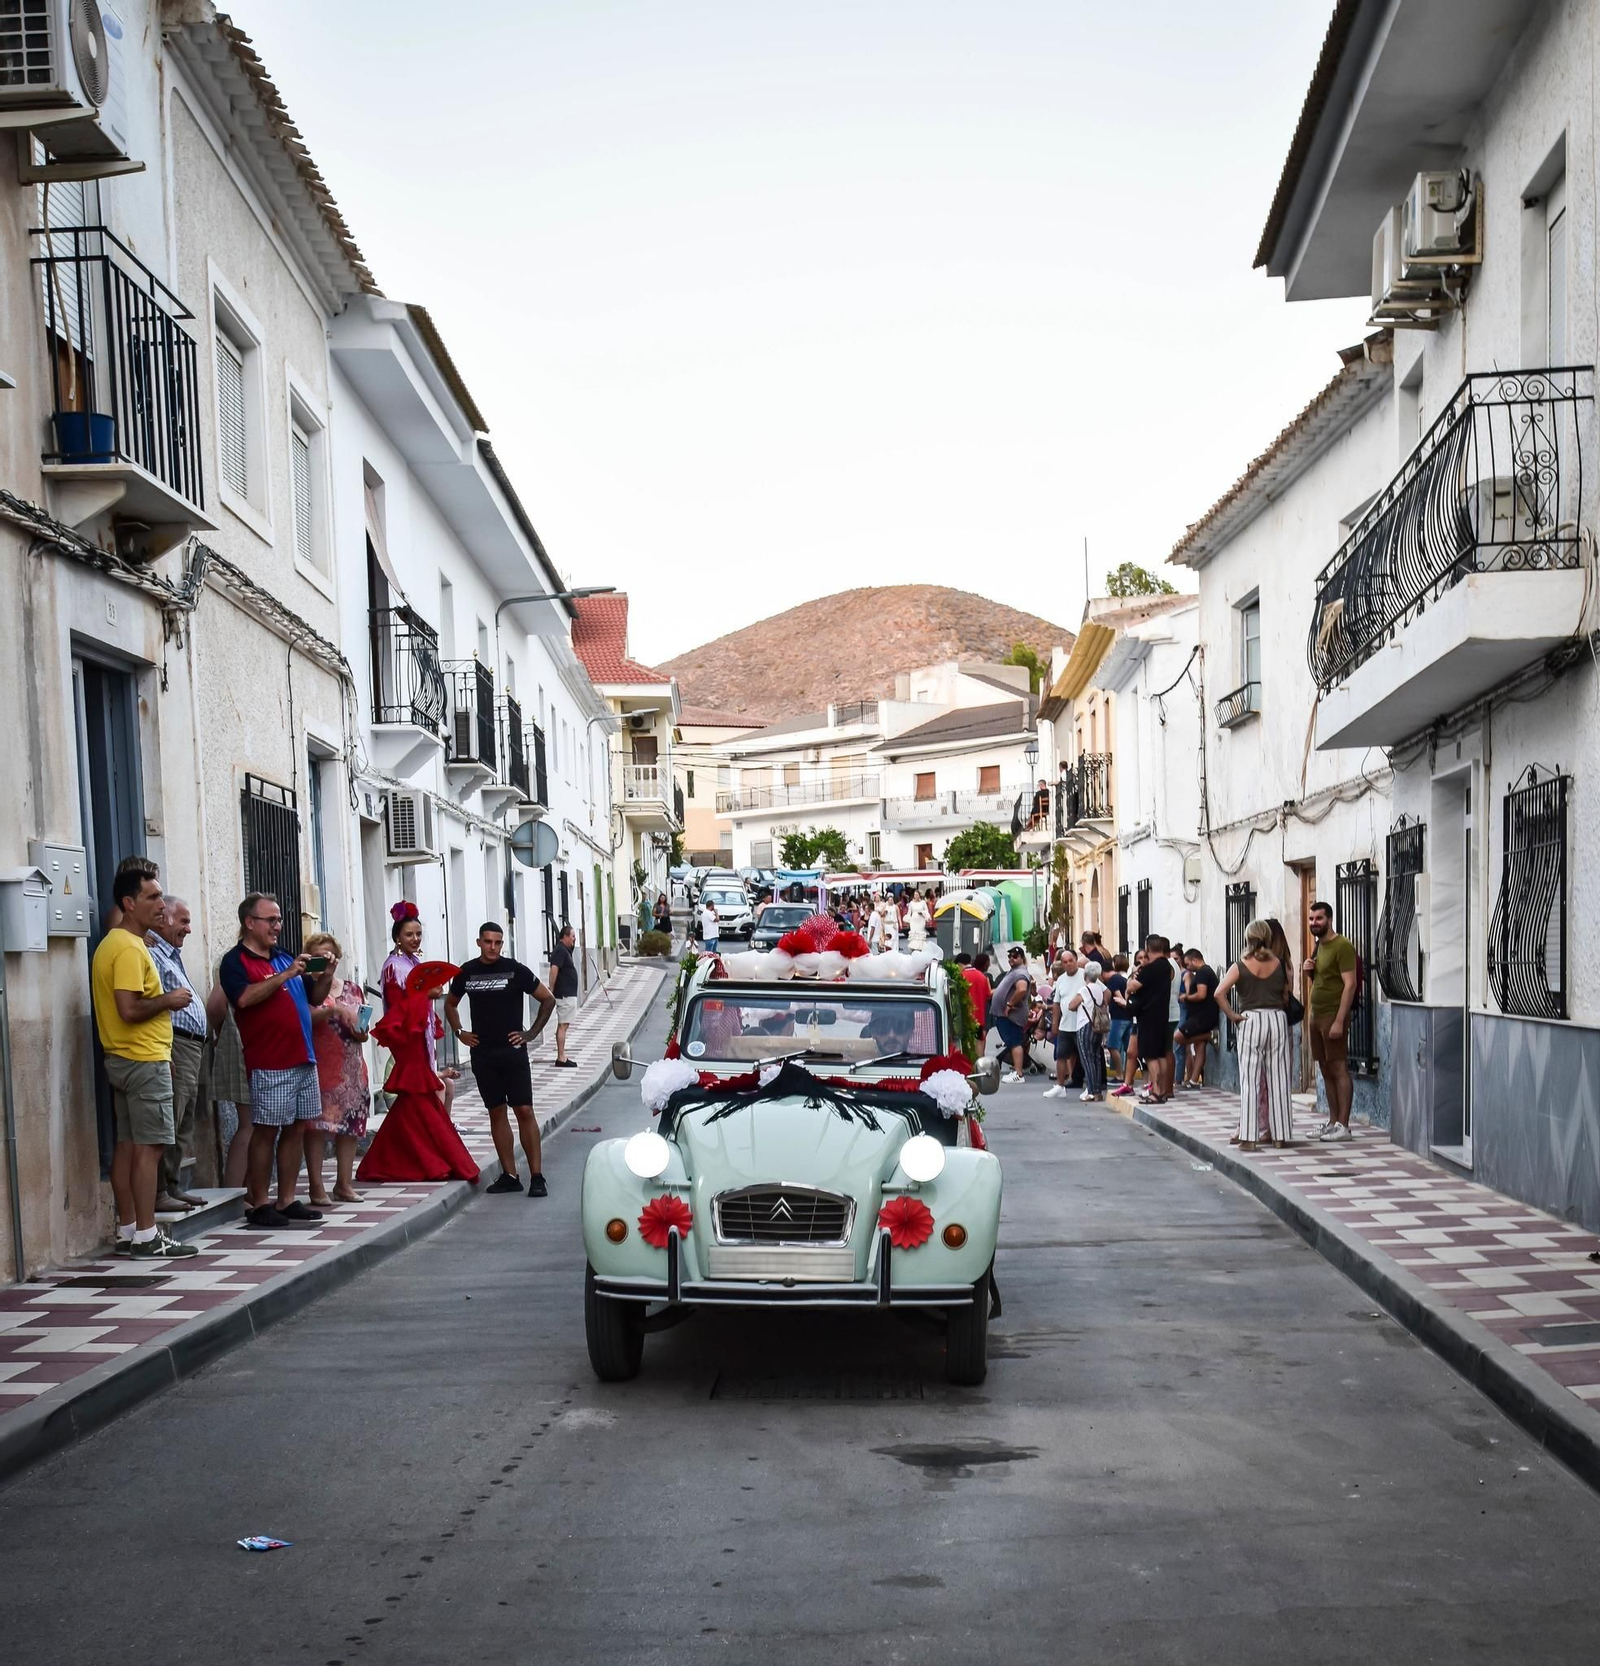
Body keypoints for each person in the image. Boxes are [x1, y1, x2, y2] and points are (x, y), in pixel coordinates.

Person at [91, 864, 199, 1260]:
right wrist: (170, 1001)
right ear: (129, 903)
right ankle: (147, 1235)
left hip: (129, 1059)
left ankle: (128, 1229)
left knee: (128, 1145)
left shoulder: (116, 944)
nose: (160, 905)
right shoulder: (128, 948)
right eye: (152, 897)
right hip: (140, 1060)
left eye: (159, 896)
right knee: (149, 1149)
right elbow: (128, 1009)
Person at [220, 893, 333, 1230]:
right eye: (270, 920)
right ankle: (260, 1202)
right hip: (269, 1061)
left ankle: (285, 1198)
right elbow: (243, 998)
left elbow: (313, 998)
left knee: (297, 1127)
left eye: (279, 920)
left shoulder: (284, 956)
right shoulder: (235, 961)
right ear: (249, 922)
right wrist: (283, 976)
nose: (277, 926)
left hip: (303, 1056)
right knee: (266, 1131)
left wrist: (325, 974)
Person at [446, 922, 556, 1196]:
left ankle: (537, 1177)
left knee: (524, 1111)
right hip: (483, 1054)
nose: (492, 947)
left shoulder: (515, 970)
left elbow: (548, 999)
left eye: (497, 942)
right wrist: (460, 1032)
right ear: (479, 942)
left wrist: (530, 1033)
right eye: (487, 942)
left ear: (502, 943)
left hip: (513, 1053)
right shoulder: (466, 972)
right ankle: (509, 1175)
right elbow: (450, 1003)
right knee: (496, 1111)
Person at [358, 961, 481, 1184]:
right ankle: (425, 1162)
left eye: (417, 934)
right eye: (438, 984)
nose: (442, 987)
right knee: (418, 1115)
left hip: (418, 1066)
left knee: (411, 1116)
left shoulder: (421, 1002)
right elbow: (397, 1029)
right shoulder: (396, 974)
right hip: (412, 1067)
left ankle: (386, 1161)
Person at [145, 893, 210, 1211]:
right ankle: (159, 1193)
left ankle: (172, 1186)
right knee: (169, 1119)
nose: (188, 929)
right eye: (183, 920)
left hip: (192, 1045)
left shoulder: (169, 953)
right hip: (176, 1043)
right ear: (164, 917)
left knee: (183, 1120)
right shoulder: (150, 948)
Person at [302, 933, 370, 1208]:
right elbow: (303, 1017)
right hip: (320, 1065)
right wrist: (333, 1011)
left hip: (351, 1065)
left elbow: (364, 1028)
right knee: (316, 1127)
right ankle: (316, 1186)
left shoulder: (352, 989)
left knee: (350, 1126)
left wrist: (360, 1029)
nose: (325, 961)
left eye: (329, 956)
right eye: (318, 956)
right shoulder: (306, 986)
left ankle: (344, 1183)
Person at [1216, 919, 1294, 1149]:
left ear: (1248, 938)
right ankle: (1280, 1135)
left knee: (1250, 1080)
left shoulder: (1240, 965)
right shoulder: (1280, 964)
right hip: (1277, 1019)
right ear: (1268, 938)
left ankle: (1249, 1137)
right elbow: (1286, 996)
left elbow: (1219, 993)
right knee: (1278, 1078)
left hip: (1251, 1019)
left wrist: (1232, 1015)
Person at [381, 902, 457, 1115]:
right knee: (422, 1095)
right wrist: (427, 995)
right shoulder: (394, 968)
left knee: (430, 1093)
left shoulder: (412, 963)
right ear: (398, 937)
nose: (415, 939)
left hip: (421, 1036)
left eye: (418, 934)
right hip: (409, 1038)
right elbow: (397, 1008)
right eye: (409, 935)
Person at [1304, 900, 1359, 1142]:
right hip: (1316, 1015)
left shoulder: (1342, 946)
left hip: (1333, 1016)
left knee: (1338, 1067)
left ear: (1330, 919)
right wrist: (1309, 972)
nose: (1314, 923)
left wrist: (1339, 1020)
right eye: (1311, 919)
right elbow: (1323, 980)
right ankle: (1332, 1121)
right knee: (1325, 1069)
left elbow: (1350, 984)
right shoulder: (1319, 947)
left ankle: (1344, 1126)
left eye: (1319, 919)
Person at [1124, 934, 1174, 1104]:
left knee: (1151, 1056)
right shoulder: (1166, 966)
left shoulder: (1150, 969)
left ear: (1148, 948)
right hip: (1162, 1015)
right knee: (1161, 1054)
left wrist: (1135, 974)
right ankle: (1165, 1091)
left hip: (1148, 1015)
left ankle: (1157, 1092)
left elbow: (1132, 986)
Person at [988, 946, 1033, 1084]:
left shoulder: (1020, 973)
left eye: (1015, 956)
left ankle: (1018, 1074)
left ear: (1022, 958)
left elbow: (1021, 990)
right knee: (1012, 1042)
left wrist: (1009, 1004)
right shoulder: (1014, 971)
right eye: (1010, 956)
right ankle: (1016, 1071)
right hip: (1005, 1015)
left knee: (1015, 1042)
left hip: (1012, 1015)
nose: (1011, 959)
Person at [1177, 946, 1219, 1089]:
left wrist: (1186, 997)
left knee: (1178, 1037)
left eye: (1188, 964)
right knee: (1199, 1047)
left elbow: (1201, 994)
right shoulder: (1205, 972)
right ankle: (1194, 1080)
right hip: (1203, 1015)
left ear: (1194, 960)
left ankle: (1209, 1036)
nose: (1187, 968)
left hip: (1202, 1017)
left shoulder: (1202, 973)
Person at [1042, 953, 1082, 1100]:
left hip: (1082, 1025)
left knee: (1086, 1057)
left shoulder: (1085, 976)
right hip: (1065, 1025)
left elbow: (1104, 993)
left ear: (1076, 960)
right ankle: (1060, 1086)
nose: (1069, 964)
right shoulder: (1061, 980)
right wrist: (1055, 1023)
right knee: (1061, 1055)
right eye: (1065, 962)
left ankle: (1091, 1086)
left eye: (1071, 960)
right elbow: (1057, 1004)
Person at [1068, 960, 1109, 1102]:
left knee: (1087, 1059)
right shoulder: (1098, 988)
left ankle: (1092, 1091)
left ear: (1085, 974)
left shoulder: (1084, 989)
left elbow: (1072, 1005)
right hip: (1097, 1027)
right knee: (1096, 1058)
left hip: (1085, 1025)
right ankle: (1097, 1090)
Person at [548, 922, 580, 1067]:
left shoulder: (564, 950)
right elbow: (554, 970)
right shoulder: (560, 951)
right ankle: (561, 1057)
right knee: (562, 1026)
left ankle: (562, 1055)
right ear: (565, 936)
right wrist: (551, 989)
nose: (574, 939)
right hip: (564, 995)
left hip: (567, 993)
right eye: (573, 936)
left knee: (564, 1025)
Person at [1104, 952, 1131, 1077]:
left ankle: (1119, 1074)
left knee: (1112, 1046)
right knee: (1127, 1048)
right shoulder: (1123, 979)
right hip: (1128, 1017)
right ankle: (1126, 1075)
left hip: (1118, 1018)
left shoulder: (1113, 980)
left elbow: (1119, 997)